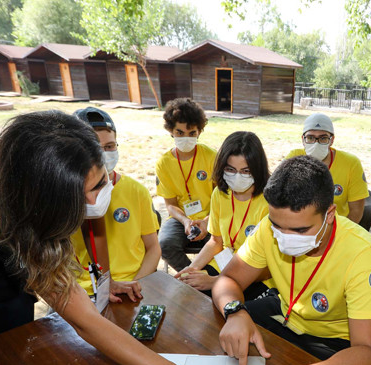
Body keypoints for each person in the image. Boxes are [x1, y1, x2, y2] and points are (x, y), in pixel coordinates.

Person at [0, 111, 227, 365]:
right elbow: (83, 320)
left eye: (100, 184)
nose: (96, 203)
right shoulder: (20, 214)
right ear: (48, 201)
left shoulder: (54, 152)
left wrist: (103, 285)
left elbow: (90, 239)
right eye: (84, 197)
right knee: (7, 345)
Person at [211, 156, 371, 365]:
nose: (285, 237)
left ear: (330, 214)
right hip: (284, 315)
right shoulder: (268, 230)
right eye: (277, 225)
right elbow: (228, 279)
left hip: (330, 344)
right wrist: (234, 311)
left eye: (301, 230)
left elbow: (370, 353)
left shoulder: (361, 253)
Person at [70, 107, 161, 301]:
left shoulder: (136, 191)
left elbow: (153, 248)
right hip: (83, 292)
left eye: (110, 146)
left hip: (134, 284)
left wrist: (137, 284)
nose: (103, 154)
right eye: (94, 147)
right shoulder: (64, 195)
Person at [175, 131, 272, 299]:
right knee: (186, 291)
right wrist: (192, 268)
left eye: (246, 171)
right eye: (230, 169)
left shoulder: (270, 202)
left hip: (258, 273)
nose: (237, 177)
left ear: (257, 169)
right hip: (226, 262)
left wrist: (216, 281)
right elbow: (216, 242)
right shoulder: (220, 194)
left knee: (224, 303)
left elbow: (268, 267)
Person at [156, 98, 216, 270]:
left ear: (199, 131)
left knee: (224, 244)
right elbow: (171, 205)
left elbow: (223, 198)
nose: (186, 138)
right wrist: (185, 221)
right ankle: (195, 279)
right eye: (180, 133)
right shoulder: (164, 163)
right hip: (180, 218)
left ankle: (209, 279)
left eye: (192, 133)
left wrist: (207, 221)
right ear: (171, 131)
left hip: (212, 216)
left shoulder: (211, 156)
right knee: (164, 244)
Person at [285, 113, 369, 223]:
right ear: (303, 140)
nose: (316, 143)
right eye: (310, 138)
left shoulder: (351, 164)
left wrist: (337, 236)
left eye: (323, 138)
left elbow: (356, 212)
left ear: (332, 140)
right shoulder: (294, 158)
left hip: (336, 228)